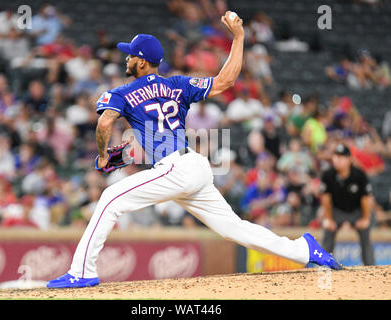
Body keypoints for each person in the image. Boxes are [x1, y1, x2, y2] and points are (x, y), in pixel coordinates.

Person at [47, 12, 341, 289]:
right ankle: (304, 249)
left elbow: (104, 123)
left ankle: (81, 272)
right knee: (233, 229)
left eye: (131, 54)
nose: (127, 57)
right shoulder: (177, 84)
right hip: (194, 167)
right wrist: (239, 38)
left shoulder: (122, 92)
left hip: (175, 168)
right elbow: (226, 81)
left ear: (142, 61)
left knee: (110, 197)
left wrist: (102, 155)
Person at [320, 143, 375, 266]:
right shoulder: (328, 174)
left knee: (366, 235)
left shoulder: (359, 175)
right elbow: (326, 198)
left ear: (350, 159)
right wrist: (328, 219)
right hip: (337, 211)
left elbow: (366, 198)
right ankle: (324, 266)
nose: (338, 160)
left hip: (357, 211)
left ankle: (370, 268)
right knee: (327, 232)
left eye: (342, 157)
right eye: (336, 156)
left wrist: (365, 219)